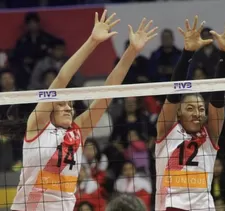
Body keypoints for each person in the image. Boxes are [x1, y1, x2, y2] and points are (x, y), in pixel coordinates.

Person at [11, 10, 158, 211]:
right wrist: (93, 41)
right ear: (49, 109)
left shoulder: (77, 132)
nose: (67, 108)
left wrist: (132, 51)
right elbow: (62, 79)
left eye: (70, 105)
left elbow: (108, 93)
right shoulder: (37, 126)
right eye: (61, 104)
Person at [155, 16, 225, 211]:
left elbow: (218, 98)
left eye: (201, 109)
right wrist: (187, 52)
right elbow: (174, 93)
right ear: (178, 112)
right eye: (190, 108)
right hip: (172, 206)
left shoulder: (210, 134)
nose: (197, 113)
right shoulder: (166, 130)